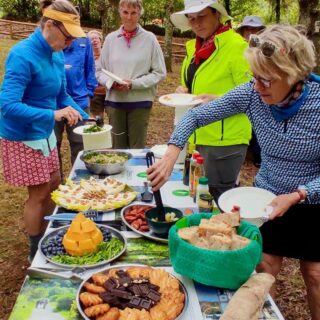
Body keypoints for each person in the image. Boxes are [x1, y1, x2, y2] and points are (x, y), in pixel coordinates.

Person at [147, 25, 320, 319]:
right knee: (265, 266)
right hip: (266, 198)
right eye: (254, 77)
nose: (256, 86)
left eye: (266, 79)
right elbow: (197, 115)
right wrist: (174, 149)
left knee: (315, 273)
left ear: (295, 74)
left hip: (314, 200)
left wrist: (300, 193)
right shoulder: (253, 95)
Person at [0, 0, 88, 261]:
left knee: (53, 185)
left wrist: (88, 118)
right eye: (67, 36)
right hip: (23, 136)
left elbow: (62, 96)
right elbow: (7, 105)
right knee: (38, 193)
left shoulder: (56, 53)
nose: (70, 43)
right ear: (50, 25)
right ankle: (35, 248)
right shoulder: (22, 55)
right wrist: (52, 115)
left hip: (44, 133)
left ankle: (50, 232)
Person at [170, 0, 252, 202]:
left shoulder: (236, 47)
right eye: (191, 19)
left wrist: (219, 100)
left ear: (217, 15)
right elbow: (191, 84)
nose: (196, 23)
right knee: (198, 197)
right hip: (197, 136)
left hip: (225, 140)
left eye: (202, 16)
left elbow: (255, 93)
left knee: (218, 200)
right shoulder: (195, 48)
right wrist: (183, 90)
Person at [96, 0, 166, 149]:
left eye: (133, 13)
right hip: (115, 102)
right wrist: (111, 83)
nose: (129, 17)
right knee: (117, 149)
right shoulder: (110, 39)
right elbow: (99, 71)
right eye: (125, 12)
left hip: (140, 103)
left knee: (137, 149)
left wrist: (134, 84)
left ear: (140, 13)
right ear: (120, 12)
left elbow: (159, 72)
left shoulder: (150, 39)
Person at [54, 20, 97, 169]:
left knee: (80, 146)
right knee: (53, 146)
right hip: (52, 106)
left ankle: (78, 184)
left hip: (79, 102)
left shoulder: (84, 41)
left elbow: (90, 69)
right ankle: (58, 185)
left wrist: (88, 94)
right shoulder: (51, 43)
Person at [237, 15, 266, 167]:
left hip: (263, 92)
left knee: (259, 124)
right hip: (243, 91)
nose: (251, 32)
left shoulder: (267, 50)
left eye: (255, 29)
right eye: (248, 29)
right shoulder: (237, 49)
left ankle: (259, 156)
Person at [87, 30, 107, 119]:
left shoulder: (108, 55)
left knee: (114, 118)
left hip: (110, 91)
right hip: (96, 93)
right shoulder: (87, 57)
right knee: (98, 120)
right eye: (91, 39)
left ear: (100, 40)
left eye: (96, 38)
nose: (94, 40)